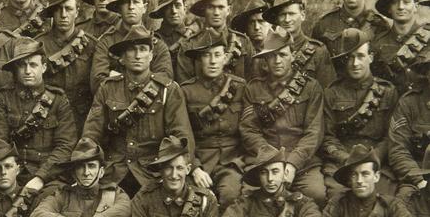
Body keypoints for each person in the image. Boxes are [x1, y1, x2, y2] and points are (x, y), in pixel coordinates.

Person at [82, 24, 193, 195]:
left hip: (153, 174)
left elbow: (181, 137)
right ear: (122, 58)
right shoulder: (107, 88)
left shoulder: (168, 90)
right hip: (114, 174)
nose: (138, 55)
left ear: (151, 55)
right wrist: (87, 171)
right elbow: (91, 135)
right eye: (132, 50)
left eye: (143, 49)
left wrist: (171, 172)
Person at [239, 28, 326, 205]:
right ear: (265, 61)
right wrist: (271, 159)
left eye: (283, 55)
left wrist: (293, 163)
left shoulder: (310, 87)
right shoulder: (254, 89)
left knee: (316, 194)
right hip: (264, 164)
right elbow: (248, 130)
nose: (277, 61)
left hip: (302, 164)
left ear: (293, 56)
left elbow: (314, 132)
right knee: (247, 198)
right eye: (272, 56)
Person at [0, 37, 76, 198]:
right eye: (22, 65)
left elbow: (65, 147)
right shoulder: (3, 98)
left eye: (33, 65)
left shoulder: (58, 100)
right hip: (11, 175)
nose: (27, 71)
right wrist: (11, 178)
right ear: (15, 69)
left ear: (43, 67)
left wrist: (40, 177)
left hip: (49, 177)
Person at [322, 28, 399, 197]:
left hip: (377, 163)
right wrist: (345, 159)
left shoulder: (387, 91)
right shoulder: (332, 92)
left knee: (384, 198)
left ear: (370, 57)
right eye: (349, 57)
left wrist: (373, 159)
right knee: (337, 196)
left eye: (360, 56)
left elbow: (391, 137)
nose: (355, 63)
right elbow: (328, 137)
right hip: (342, 163)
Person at [179, 31, 247, 207]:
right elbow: (181, 133)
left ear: (225, 58)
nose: (213, 61)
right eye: (206, 55)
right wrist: (194, 168)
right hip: (201, 161)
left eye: (217, 55)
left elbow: (250, 129)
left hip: (233, 162)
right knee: (193, 201)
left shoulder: (239, 87)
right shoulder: (186, 91)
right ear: (199, 60)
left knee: (230, 195)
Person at [89, 0, 173, 92]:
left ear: (144, 8)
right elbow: (97, 82)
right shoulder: (106, 42)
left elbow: (164, 80)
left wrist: (116, 77)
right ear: (119, 9)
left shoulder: (157, 45)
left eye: (136, 1)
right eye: (126, 2)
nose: (131, 7)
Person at [35, 0, 97, 130]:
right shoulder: (38, 45)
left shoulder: (91, 44)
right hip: (49, 120)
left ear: (77, 12)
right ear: (52, 13)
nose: (63, 15)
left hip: (82, 121)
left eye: (68, 9)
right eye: (58, 9)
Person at [176, 0, 253, 83]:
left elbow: (251, 81)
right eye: (211, 7)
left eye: (221, 7)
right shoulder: (189, 45)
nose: (216, 13)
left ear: (228, 10)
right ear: (204, 10)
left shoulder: (243, 42)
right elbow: (184, 86)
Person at [262, 0, 336, 88]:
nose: (287, 19)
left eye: (291, 14)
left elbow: (327, 92)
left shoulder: (319, 52)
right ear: (277, 19)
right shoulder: (267, 52)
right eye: (282, 14)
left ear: (303, 15)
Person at [371, 0, 429, 94]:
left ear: (416, 6)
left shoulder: (428, 37)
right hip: (388, 108)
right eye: (395, 2)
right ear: (389, 8)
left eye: (406, 1)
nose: (400, 6)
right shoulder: (377, 43)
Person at [389, 48, 430, 200]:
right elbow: (397, 150)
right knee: (403, 202)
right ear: (426, 73)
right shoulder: (409, 103)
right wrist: (420, 181)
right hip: (419, 176)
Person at [149, 0, 198, 69]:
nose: (174, 11)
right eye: (168, 7)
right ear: (162, 11)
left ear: (185, 8)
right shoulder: (153, 40)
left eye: (177, 5)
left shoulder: (195, 37)